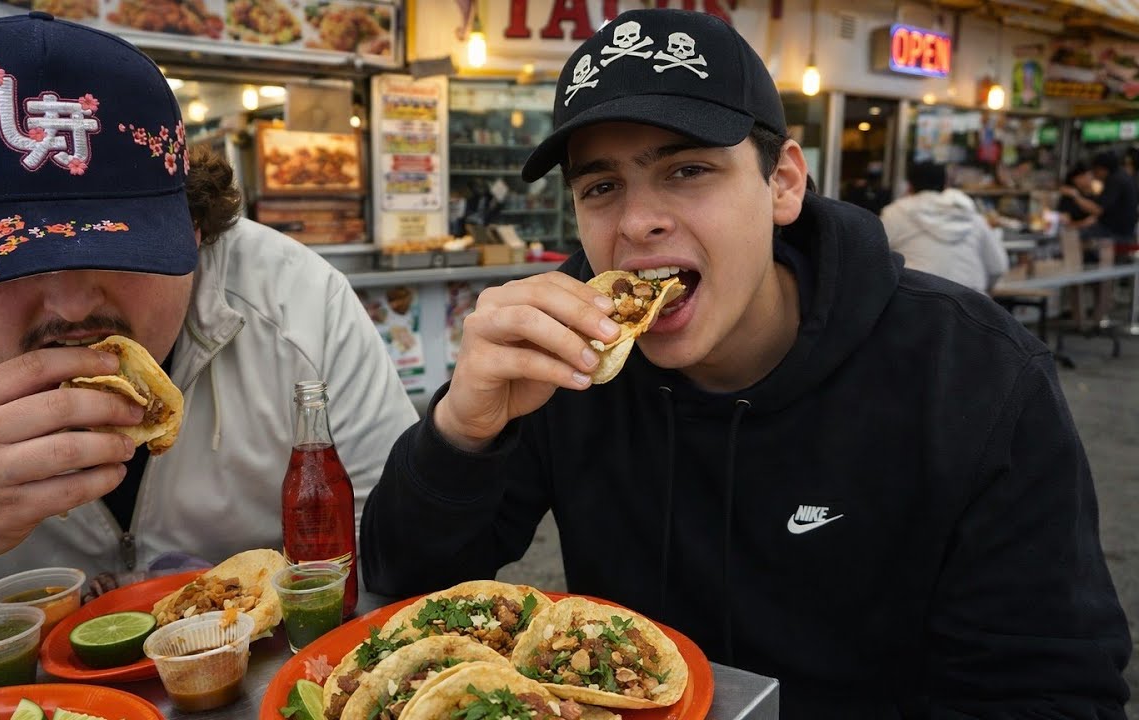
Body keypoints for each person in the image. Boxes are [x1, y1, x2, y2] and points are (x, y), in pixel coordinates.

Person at [360, 8, 1130, 717]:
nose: (638, 221)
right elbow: (405, 589)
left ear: (783, 182)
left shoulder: (975, 377)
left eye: (687, 170)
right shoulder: (566, 360)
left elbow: (1052, 689)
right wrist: (463, 429)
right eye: (601, 186)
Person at [0, 12, 417, 671]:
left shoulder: (296, 303)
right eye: (6, 261)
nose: (71, 306)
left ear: (194, 231)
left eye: (115, 249)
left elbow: (403, 565)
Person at [879, 161, 1009, 293]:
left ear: (909, 186)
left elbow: (875, 260)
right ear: (946, 184)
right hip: (970, 303)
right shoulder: (971, 215)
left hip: (916, 301)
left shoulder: (895, 213)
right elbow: (998, 267)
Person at [1060, 150, 1138, 324]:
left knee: (1071, 241)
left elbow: (1097, 210)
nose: (1094, 176)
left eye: (1094, 171)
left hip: (1114, 236)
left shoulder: (1115, 180)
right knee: (1096, 271)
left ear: (1102, 169)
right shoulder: (1123, 177)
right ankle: (1092, 315)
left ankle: (1085, 313)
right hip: (1119, 235)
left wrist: (1075, 196)